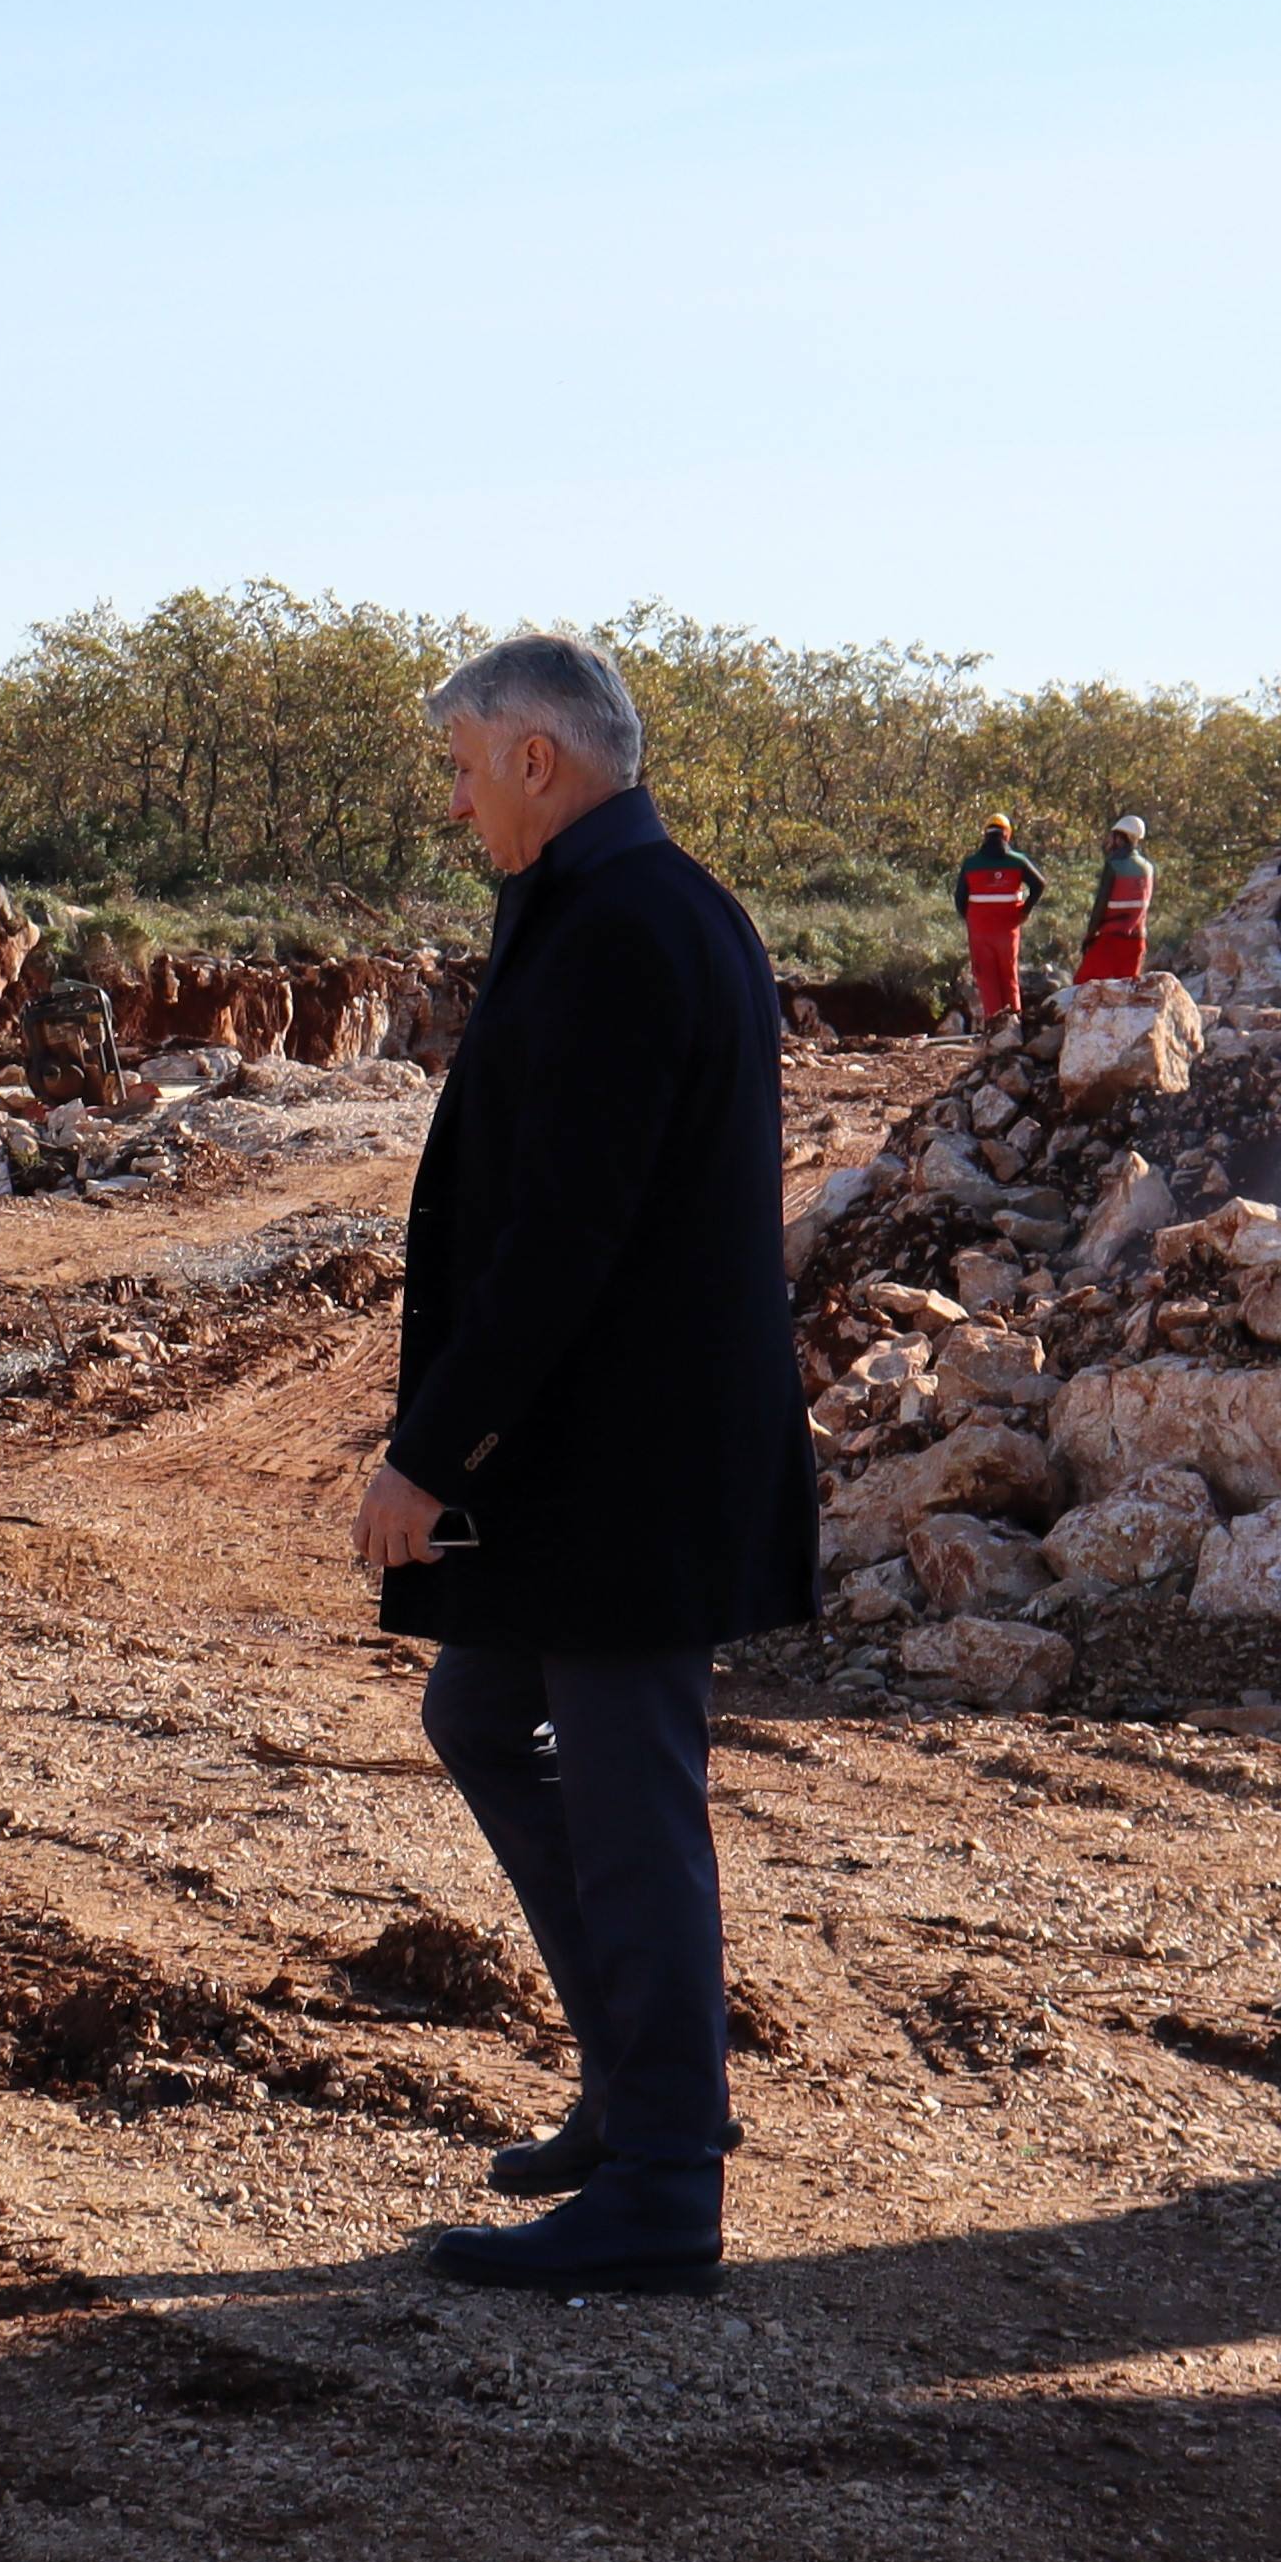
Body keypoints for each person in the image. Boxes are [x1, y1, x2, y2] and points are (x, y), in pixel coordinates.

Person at [351, 633, 814, 2296]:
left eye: (465, 767)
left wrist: (427, 1454)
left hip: (630, 1460)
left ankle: (667, 2177)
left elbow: (564, 1241)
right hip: (603, 1449)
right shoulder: (614, 901)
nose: (455, 797)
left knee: (634, 1808)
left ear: (536, 759)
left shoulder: (629, 925)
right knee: (483, 1712)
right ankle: (636, 2093)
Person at [956, 813, 1043, 1024]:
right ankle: (1014, 1024)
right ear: (1007, 835)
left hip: (980, 930)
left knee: (987, 979)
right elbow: (1039, 885)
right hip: (1008, 927)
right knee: (1009, 976)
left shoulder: (971, 863)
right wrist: (1025, 910)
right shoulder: (1017, 861)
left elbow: (959, 898)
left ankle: (994, 1026)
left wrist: (970, 919)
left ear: (985, 835)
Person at [1076, 815, 1157, 982]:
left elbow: (1101, 905)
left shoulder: (1113, 865)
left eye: (1113, 837)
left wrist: (1089, 936)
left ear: (1121, 838)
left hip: (1110, 940)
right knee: (1126, 993)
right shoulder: (1148, 868)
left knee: (1082, 986)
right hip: (1137, 940)